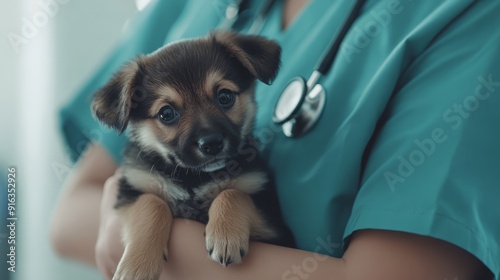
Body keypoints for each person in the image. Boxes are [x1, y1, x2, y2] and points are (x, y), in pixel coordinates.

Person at [50, 0, 500, 279]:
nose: (205, 133)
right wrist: (141, 218)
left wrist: (139, 242)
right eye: (168, 114)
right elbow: (68, 220)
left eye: (224, 98)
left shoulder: (467, 15)